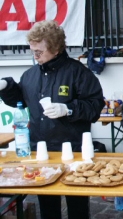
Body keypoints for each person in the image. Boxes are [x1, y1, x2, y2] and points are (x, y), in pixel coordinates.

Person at [0, 20, 105, 219]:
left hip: (73, 152)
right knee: (47, 207)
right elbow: (21, 100)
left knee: (77, 207)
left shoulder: (78, 73)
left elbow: (95, 106)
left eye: (39, 51)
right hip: (42, 152)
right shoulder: (30, 75)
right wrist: (6, 87)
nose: (35, 56)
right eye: (32, 51)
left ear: (56, 48)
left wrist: (69, 109)